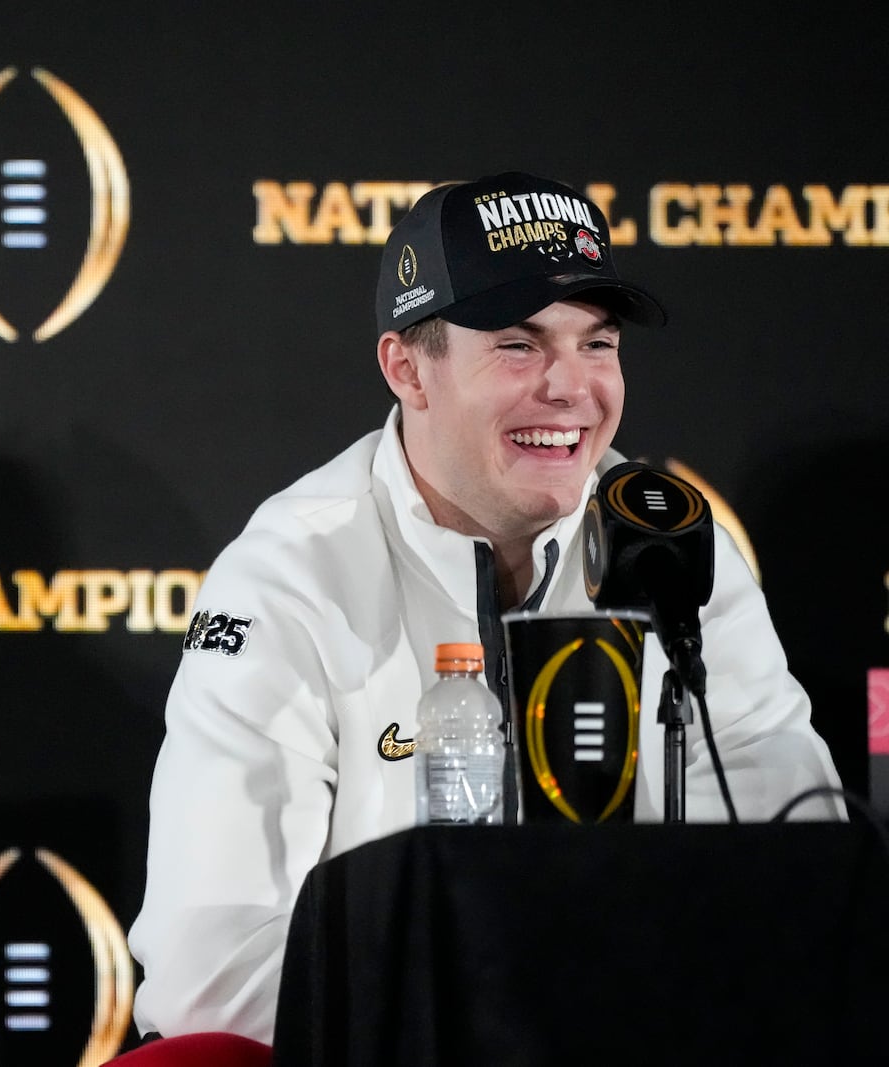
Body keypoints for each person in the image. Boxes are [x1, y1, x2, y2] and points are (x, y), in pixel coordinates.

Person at [124, 171, 845, 1046]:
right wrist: (500, 1034)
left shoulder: (674, 550)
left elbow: (800, 870)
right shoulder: (290, 575)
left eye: (598, 344)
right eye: (519, 344)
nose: (573, 388)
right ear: (407, 369)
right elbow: (212, 978)